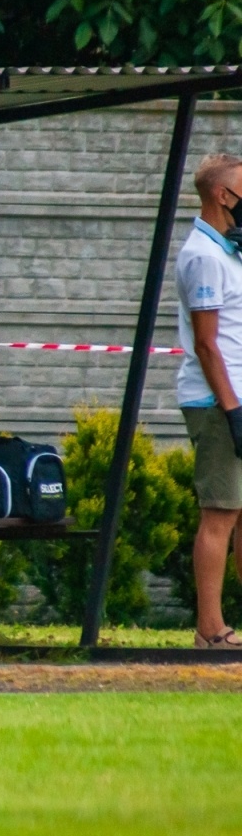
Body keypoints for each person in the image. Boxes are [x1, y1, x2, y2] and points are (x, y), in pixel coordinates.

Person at [174, 152, 242, 649]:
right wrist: (233, 410)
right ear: (224, 195)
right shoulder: (203, 256)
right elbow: (206, 343)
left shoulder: (231, 252)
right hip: (220, 403)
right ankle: (210, 631)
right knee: (220, 513)